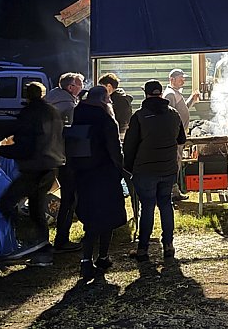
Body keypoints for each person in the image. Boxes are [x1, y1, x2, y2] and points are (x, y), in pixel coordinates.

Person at [0, 82, 65, 267]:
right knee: (36, 208)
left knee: (5, 203)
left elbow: (25, 147)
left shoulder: (29, 114)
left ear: (27, 95)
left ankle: (31, 242)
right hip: (50, 166)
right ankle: (44, 252)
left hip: (33, 168)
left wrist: (1, 150)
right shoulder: (52, 111)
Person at [68, 86, 127, 280]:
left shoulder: (78, 114)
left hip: (82, 173)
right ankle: (102, 256)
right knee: (106, 216)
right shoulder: (106, 118)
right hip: (104, 173)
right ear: (103, 99)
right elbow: (114, 148)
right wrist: (120, 169)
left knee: (90, 216)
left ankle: (86, 259)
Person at [124, 79, 186, 261]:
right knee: (166, 205)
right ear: (160, 94)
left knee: (148, 206)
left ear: (146, 93)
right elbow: (181, 139)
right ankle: (168, 245)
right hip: (168, 168)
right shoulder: (173, 114)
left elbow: (129, 146)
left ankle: (143, 249)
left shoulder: (139, 116)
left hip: (145, 170)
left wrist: (129, 168)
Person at [46, 72, 84, 254]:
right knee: (69, 198)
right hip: (65, 158)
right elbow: (74, 135)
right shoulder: (69, 106)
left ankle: (45, 241)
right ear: (71, 87)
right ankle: (62, 240)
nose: (83, 87)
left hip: (49, 156)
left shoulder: (52, 97)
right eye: (80, 84)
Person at [164, 68, 199, 201]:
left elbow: (182, 110)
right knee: (174, 163)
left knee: (177, 163)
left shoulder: (176, 93)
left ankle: (175, 191)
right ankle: (172, 193)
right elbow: (169, 116)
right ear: (172, 80)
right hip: (174, 137)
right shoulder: (170, 94)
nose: (183, 80)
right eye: (180, 78)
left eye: (183, 78)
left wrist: (192, 99)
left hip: (179, 135)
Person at [98, 73, 133, 138]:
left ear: (109, 86)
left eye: (102, 87)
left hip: (116, 133)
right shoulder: (123, 99)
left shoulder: (115, 101)